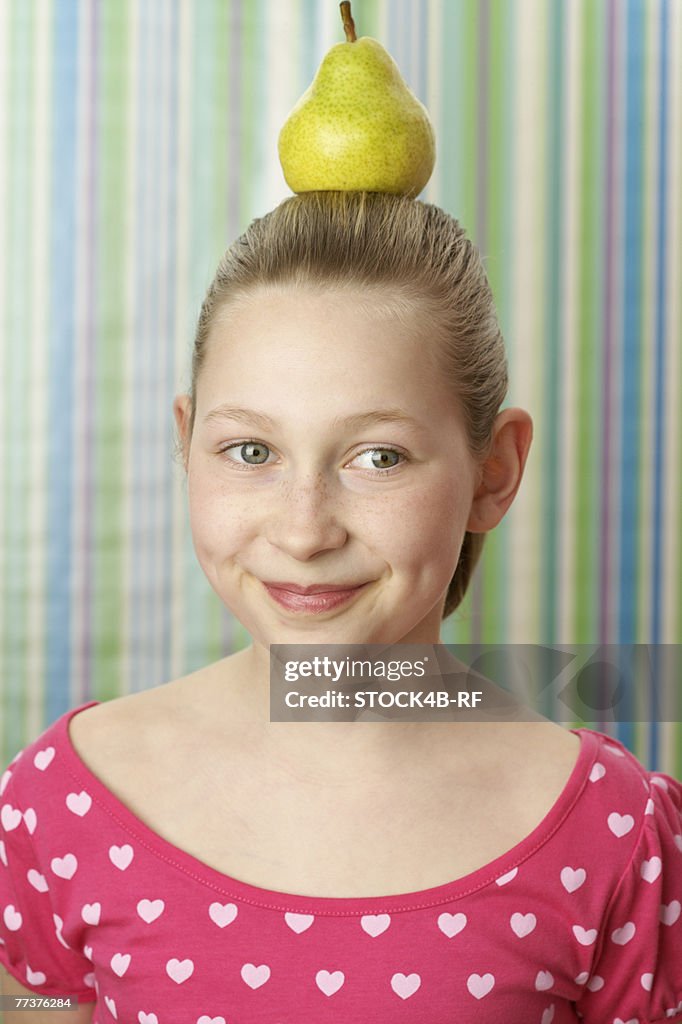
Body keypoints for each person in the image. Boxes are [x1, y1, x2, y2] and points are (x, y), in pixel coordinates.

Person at [1, 190, 680, 1022]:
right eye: (251, 451)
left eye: (378, 456)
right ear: (186, 442)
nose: (304, 529)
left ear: (494, 471)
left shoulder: (615, 835)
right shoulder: (58, 803)